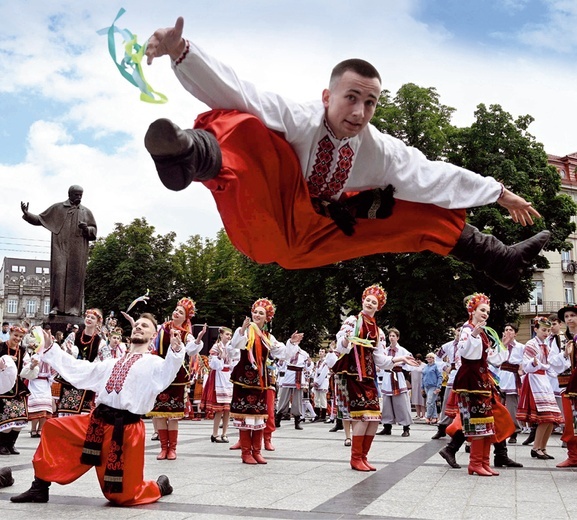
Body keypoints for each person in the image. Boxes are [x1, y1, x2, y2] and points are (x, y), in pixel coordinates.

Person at [142, 17, 550, 291]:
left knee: (419, 206)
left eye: (370, 103)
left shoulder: (380, 150)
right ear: (327, 96)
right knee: (248, 126)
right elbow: (241, 91)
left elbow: (433, 175)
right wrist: (182, 52)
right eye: (351, 98)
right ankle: (188, 153)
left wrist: (499, 192)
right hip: (265, 216)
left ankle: (497, 258)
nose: (359, 112)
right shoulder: (300, 118)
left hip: (319, 231)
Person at [6, 313, 181, 505]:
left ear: (154, 335)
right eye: (137, 324)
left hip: (126, 430)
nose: (139, 327)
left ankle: (159, 486)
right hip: (97, 422)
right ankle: (39, 487)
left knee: (122, 497)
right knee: (53, 428)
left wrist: (175, 350)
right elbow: (79, 369)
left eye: (145, 326)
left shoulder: (154, 363)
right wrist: (50, 350)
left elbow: (167, 373)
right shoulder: (112, 363)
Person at [326, 285, 418, 471]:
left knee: (375, 417)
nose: (370, 303)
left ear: (378, 307)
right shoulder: (353, 321)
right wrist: (347, 339)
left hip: (368, 375)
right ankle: (355, 458)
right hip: (353, 373)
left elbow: (380, 359)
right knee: (362, 417)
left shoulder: (378, 331)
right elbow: (341, 345)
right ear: (363, 301)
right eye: (368, 300)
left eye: (374, 302)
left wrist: (400, 358)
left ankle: (363, 456)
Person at [447, 293, 518, 476]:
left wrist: (504, 344)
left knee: (487, 422)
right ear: (473, 310)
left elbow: (492, 358)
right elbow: (468, 354)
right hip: (470, 381)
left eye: (487, 310)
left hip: (482, 379)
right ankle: (475, 463)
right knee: (477, 422)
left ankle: (483, 462)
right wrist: (474, 335)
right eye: (482, 310)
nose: (486, 313)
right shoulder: (466, 329)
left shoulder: (483, 332)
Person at [229, 298, 302, 464]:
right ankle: (246, 453)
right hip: (244, 380)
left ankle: (257, 451)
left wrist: (292, 342)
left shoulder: (269, 336)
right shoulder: (247, 331)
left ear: (267, 318)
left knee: (259, 416)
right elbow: (236, 345)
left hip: (260, 381)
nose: (256, 315)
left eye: (261, 313)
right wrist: (242, 330)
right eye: (255, 311)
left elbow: (282, 353)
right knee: (245, 415)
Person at [143, 298, 206, 461]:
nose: (176, 312)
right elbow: (152, 345)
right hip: (160, 374)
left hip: (177, 378)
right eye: (176, 309)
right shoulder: (162, 328)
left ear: (186, 318)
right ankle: (163, 447)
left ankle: (172, 449)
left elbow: (191, 351)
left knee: (173, 414)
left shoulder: (186, 334)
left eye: (181, 312)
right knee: (159, 413)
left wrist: (198, 340)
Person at [21, 185, 97, 316]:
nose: (79, 197)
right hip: (60, 247)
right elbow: (40, 219)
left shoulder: (86, 212)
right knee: (59, 274)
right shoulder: (58, 208)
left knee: (75, 277)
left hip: (78, 250)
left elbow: (94, 231)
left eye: (81, 195)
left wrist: (86, 229)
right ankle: (56, 307)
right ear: (70, 194)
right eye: (76, 195)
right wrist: (27, 214)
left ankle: (73, 309)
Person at [517, 316, 565, 460]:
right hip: (535, 381)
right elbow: (526, 365)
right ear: (536, 329)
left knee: (552, 418)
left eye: (548, 330)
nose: (546, 333)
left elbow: (552, 365)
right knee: (545, 417)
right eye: (543, 330)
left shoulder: (547, 346)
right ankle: (536, 447)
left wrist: (564, 357)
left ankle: (542, 447)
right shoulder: (531, 344)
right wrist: (534, 363)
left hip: (545, 381)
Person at [57, 309, 107, 416]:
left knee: (83, 413)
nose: (89, 319)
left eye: (92, 318)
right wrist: (69, 352)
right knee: (67, 411)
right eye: (87, 317)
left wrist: (89, 367)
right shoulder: (73, 336)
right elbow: (64, 353)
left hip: (87, 379)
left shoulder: (100, 342)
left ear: (98, 322)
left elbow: (104, 361)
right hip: (71, 378)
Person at [200, 326, 236, 443]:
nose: (229, 337)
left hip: (228, 377)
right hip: (218, 377)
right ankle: (215, 434)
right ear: (221, 335)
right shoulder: (216, 347)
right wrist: (220, 357)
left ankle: (225, 433)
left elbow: (235, 361)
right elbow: (213, 364)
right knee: (219, 409)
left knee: (227, 409)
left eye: (230, 335)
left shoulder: (231, 347)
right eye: (227, 334)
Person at [378, 328, 414, 437]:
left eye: (393, 336)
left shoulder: (402, 351)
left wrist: (402, 365)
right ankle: (387, 426)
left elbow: (410, 363)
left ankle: (406, 427)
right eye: (390, 336)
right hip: (387, 377)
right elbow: (380, 362)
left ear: (398, 337)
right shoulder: (385, 350)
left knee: (401, 404)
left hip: (398, 377)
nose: (391, 338)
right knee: (387, 404)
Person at [0, 325, 30, 455]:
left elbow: (26, 368)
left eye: (20, 337)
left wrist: (32, 365)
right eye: (15, 335)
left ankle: (11, 444)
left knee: (20, 418)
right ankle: (1, 445)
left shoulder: (22, 350)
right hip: (2, 386)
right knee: (6, 417)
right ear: (10, 334)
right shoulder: (1, 347)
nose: (17, 338)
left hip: (18, 387)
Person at [556, 304, 577, 467]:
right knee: (571, 420)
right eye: (567, 316)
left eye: (572, 315)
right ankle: (573, 456)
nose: (569, 319)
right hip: (571, 384)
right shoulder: (567, 340)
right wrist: (565, 353)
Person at [497, 323, 524, 444]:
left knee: (512, 406)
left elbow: (524, 360)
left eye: (510, 330)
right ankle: (498, 429)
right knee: (498, 405)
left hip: (513, 377)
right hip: (501, 376)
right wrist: (503, 345)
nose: (508, 332)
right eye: (506, 329)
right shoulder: (499, 346)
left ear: (515, 333)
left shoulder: (521, 347)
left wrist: (521, 369)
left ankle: (514, 431)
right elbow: (494, 360)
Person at [21, 352, 55, 438]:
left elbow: (54, 371)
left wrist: (51, 379)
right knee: (36, 408)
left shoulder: (50, 357)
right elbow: (26, 367)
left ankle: (40, 429)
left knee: (45, 408)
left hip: (45, 383)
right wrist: (32, 365)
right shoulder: (33, 356)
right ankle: (33, 429)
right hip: (34, 382)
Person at [422, 353, 442, 424]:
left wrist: (438, 387)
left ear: (434, 359)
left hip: (433, 386)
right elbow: (423, 377)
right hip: (426, 386)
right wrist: (422, 388)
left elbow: (440, 377)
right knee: (432, 402)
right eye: (427, 357)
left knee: (429, 402)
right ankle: (434, 417)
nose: (429, 358)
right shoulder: (425, 367)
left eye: (431, 357)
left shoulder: (436, 366)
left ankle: (428, 417)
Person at [312, 347, 330, 422]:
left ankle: (323, 416)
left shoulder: (326, 362)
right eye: (319, 351)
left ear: (325, 353)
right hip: (317, 381)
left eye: (322, 351)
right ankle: (317, 415)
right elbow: (316, 373)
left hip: (323, 381)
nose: (320, 353)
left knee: (323, 399)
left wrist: (317, 382)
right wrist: (315, 381)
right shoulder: (318, 362)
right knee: (316, 399)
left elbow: (324, 373)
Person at [409, 353, 426, 420]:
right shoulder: (412, 366)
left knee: (422, 400)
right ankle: (418, 414)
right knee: (415, 399)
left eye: (419, 359)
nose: (417, 361)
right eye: (416, 359)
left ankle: (423, 415)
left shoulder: (424, 366)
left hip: (421, 384)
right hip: (414, 384)